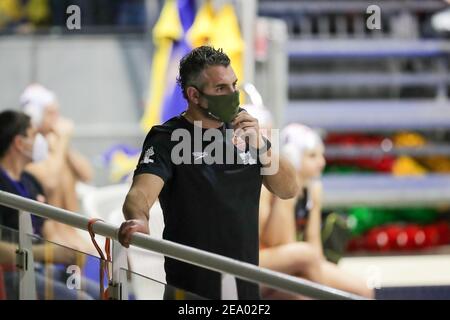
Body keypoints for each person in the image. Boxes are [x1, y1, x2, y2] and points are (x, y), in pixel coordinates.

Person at [119, 46, 299, 300]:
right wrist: (138, 219)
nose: (232, 95)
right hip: (190, 288)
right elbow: (140, 193)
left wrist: (261, 145)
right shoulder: (167, 138)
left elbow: (288, 188)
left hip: (244, 283)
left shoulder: (246, 130)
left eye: (234, 85)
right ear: (194, 95)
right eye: (220, 89)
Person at [259, 123, 374, 299]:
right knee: (305, 272)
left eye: (322, 155)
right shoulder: (269, 189)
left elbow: (315, 249)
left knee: (363, 291)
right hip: (266, 261)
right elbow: (278, 242)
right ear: (292, 157)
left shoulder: (313, 190)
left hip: (300, 260)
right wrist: (288, 199)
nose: (322, 162)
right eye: (312, 156)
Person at [0, 110, 98, 299]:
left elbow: (48, 230)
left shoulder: (30, 181)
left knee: (104, 292)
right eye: (34, 135)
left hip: (37, 267)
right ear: (19, 143)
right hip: (10, 273)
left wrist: (69, 251)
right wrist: (46, 252)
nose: (40, 141)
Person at [20, 84, 94, 252]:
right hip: (54, 239)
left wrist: (64, 143)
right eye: (51, 113)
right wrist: (63, 140)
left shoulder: (58, 144)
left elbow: (87, 174)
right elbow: (51, 180)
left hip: (74, 232)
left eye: (57, 112)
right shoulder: (28, 151)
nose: (57, 118)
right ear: (35, 116)